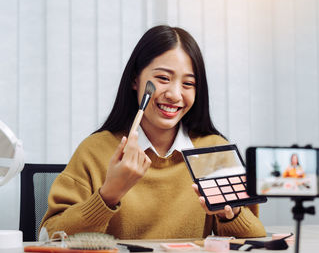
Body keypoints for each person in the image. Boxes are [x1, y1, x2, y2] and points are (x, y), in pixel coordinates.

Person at [40, 25, 266, 240]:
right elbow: (49, 236)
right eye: (163, 78)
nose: (175, 94)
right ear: (135, 80)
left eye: (188, 84)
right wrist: (108, 194)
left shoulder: (213, 151)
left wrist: (231, 216)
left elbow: (255, 238)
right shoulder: (95, 150)